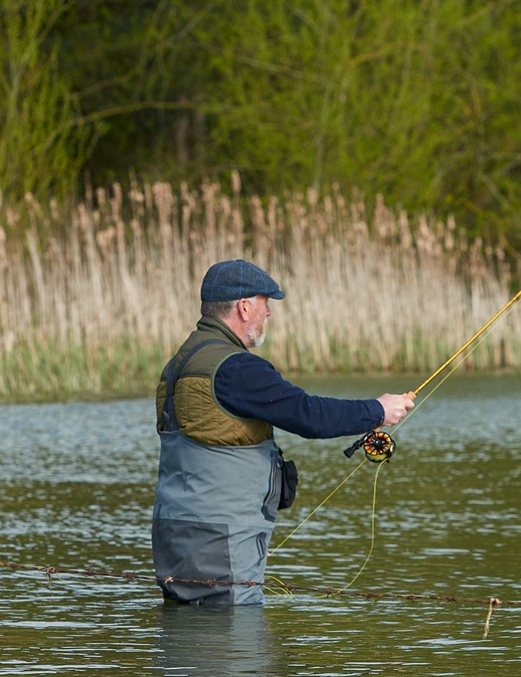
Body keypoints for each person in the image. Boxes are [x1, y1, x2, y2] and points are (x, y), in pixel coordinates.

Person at [152, 258, 415, 606]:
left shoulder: (180, 363)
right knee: (233, 651)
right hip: (219, 543)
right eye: (265, 303)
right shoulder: (236, 367)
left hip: (177, 535)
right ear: (244, 307)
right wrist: (377, 411)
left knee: (189, 647)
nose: (269, 313)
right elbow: (309, 416)